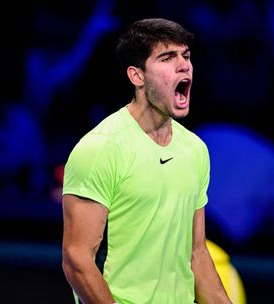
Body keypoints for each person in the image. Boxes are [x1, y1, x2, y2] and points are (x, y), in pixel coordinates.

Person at [61, 18, 232, 304]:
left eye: (186, 56)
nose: (183, 65)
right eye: (167, 58)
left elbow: (197, 254)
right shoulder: (100, 148)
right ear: (137, 76)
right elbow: (77, 260)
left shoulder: (195, 150)